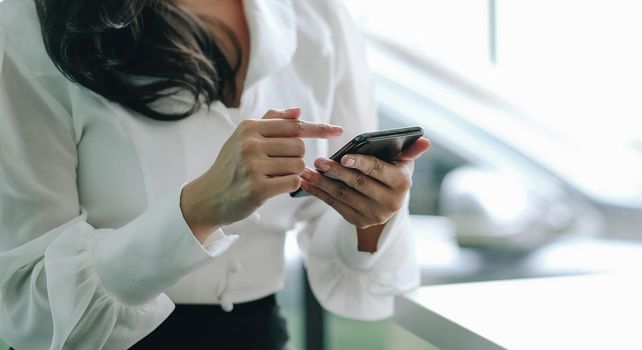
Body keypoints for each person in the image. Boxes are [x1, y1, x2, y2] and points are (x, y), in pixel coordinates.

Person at [0, 0, 431, 348]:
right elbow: (27, 302)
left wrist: (372, 216)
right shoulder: (28, 20)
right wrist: (198, 208)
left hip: (261, 335)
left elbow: (343, 248)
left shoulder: (316, 13)